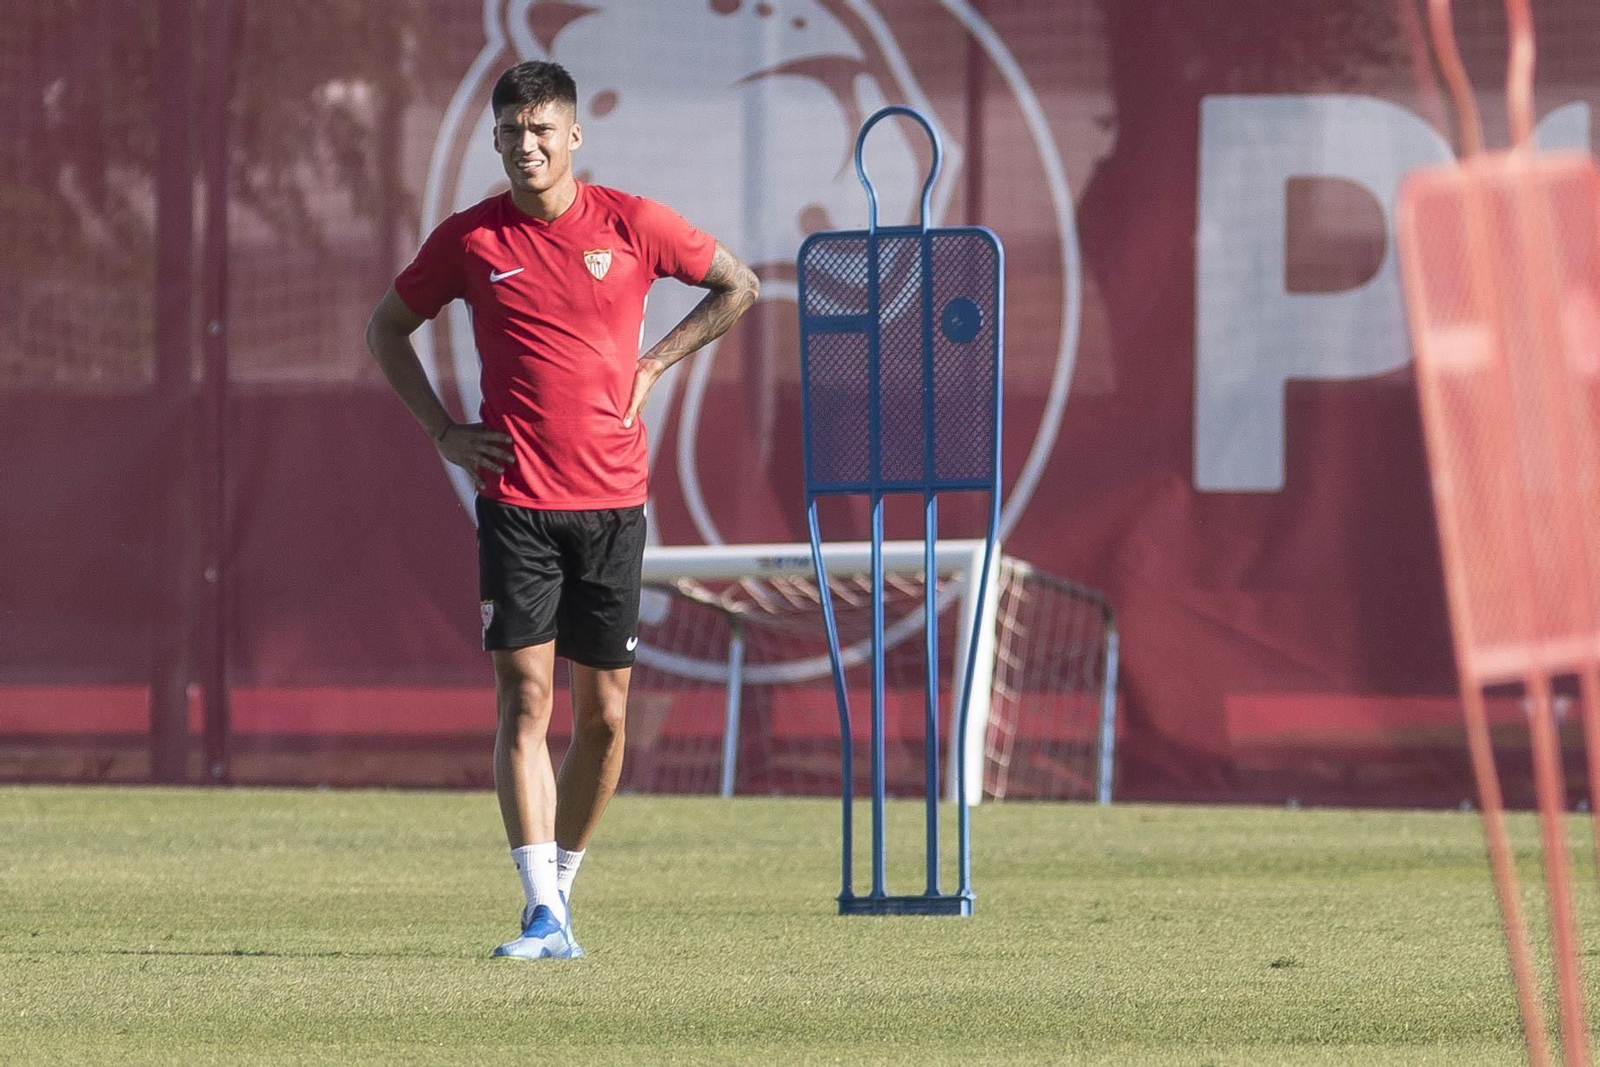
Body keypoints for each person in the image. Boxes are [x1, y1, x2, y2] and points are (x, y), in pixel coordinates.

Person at [365, 60, 759, 959]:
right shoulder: (470, 240)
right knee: (524, 698)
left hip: (613, 505)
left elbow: (738, 285)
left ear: (574, 135)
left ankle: (564, 889)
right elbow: (385, 327)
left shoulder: (633, 222)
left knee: (609, 719)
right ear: (496, 139)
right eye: (512, 132)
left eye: (543, 129)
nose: (527, 145)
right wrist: (442, 430)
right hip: (514, 503)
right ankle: (538, 905)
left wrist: (656, 362)